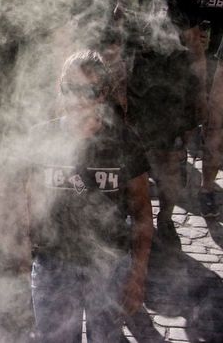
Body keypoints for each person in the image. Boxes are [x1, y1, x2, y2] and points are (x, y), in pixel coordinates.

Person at [24, 51, 152, 343]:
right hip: (53, 265)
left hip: (108, 268)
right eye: (71, 89)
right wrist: (21, 249)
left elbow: (143, 213)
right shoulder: (40, 138)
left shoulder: (124, 141)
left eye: (89, 91)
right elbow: (29, 199)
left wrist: (138, 275)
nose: (78, 100)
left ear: (103, 93)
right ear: (60, 87)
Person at [109, 0, 206, 249]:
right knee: (128, 160)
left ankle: (164, 220)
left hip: (171, 95)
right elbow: (112, 42)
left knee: (168, 163)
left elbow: (195, 48)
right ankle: (130, 218)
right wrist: (122, 5)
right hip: (131, 93)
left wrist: (200, 94)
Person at [167, 0, 223, 217]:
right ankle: (177, 176)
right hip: (182, 67)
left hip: (216, 64)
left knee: (213, 131)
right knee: (182, 130)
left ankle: (208, 189)